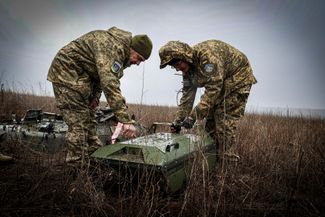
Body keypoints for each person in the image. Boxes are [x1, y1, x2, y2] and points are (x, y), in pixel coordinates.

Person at [47, 26, 153, 163]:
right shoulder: (112, 47)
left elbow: (98, 76)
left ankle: (94, 159)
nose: (137, 63)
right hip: (67, 72)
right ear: (133, 49)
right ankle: (77, 168)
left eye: (141, 61)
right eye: (139, 58)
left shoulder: (122, 53)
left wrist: (95, 97)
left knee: (89, 121)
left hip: (82, 77)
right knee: (79, 124)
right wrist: (125, 120)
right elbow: (109, 84)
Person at [159, 40, 257, 158]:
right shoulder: (187, 71)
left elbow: (213, 90)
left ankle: (226, 162)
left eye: (178, 64)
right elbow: (187, 98)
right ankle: (212, 159)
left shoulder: (208, 58)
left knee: (223, 120)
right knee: (210, 122)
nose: (177, 69)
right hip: (219, 84)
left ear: (184, 57)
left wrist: (193, 117)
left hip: (238, 80)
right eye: (174, 66)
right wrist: (178, 121)